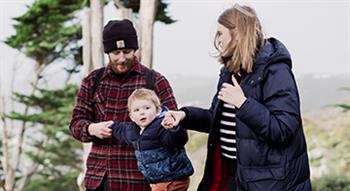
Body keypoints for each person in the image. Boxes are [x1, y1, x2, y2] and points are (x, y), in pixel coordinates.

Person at [162, 4, 311, 191]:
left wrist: (243, 103)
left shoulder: (276, 71)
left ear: (238, 34)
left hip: (269, 183)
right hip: (232, 176)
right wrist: (184, 116)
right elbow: (216, 120)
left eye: (220, 33)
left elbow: (283, 130)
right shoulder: (230, 72)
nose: (217, 40)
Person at [69, 19, 178, 191]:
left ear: (135, 49)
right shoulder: (92, 81)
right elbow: (75, 124)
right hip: (100, 180)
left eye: (127, 52)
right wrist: (91, 129)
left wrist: (169, 127)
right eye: (116, 52)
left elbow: (178, 131)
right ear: (107, 52)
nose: (121, 58)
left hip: (141, 181)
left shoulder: (155, 81)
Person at [109, 88, 193, 191]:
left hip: (171, 179)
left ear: (158, 111)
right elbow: (121, 130)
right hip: (158, 181)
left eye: (147, 108)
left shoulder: (162, 126)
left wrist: (173, 129)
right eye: (137, 110)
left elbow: (175, 141)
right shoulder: (133, 130)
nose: (142, 113)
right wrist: (111, 126)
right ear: (131, 116)